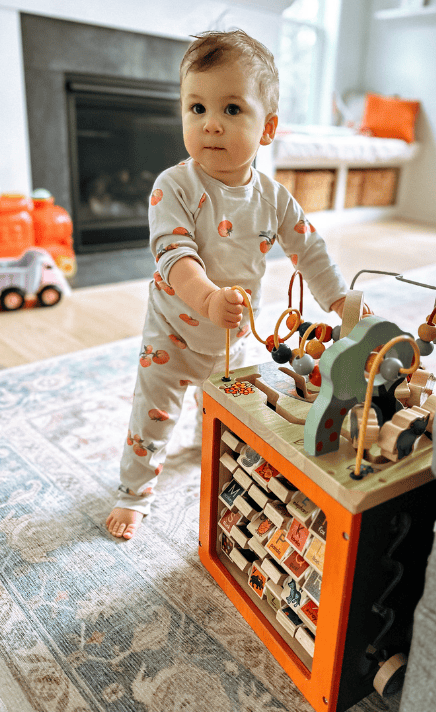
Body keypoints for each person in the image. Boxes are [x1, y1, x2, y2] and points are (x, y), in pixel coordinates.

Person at [106, 29, 350, 540]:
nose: (210, 124)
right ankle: (133, 493)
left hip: (234, 336)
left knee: (230, 409)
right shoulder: (174, 186)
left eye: (232, 110)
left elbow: (309, 248)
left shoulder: (275, 197)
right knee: (151, 418)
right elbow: (174, 256)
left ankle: (207, 436)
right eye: (196, 108)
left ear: (268, 128)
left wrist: (340, 300)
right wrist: (208, 298)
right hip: (172, 335)